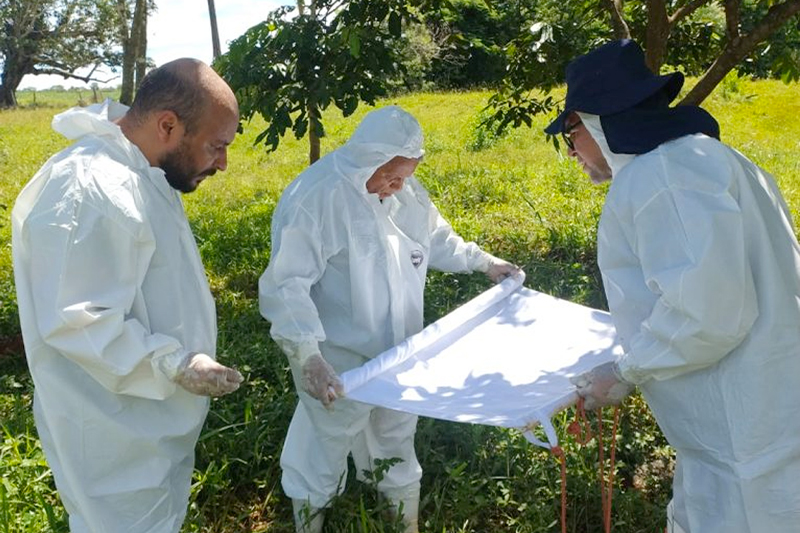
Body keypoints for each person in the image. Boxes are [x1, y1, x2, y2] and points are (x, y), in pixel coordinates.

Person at [548, 39, 800, 533]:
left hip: (743, 431)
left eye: (570, 132)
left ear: (596, 120)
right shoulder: (708, 158)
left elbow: (708, 313)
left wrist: (624, 370)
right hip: (762, 411)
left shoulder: (660, 176)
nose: (572, 150)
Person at [259, 105, 520, 533]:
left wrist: (485, 263)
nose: (397, 186)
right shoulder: (317, 197)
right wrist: (307, 354)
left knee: (396, 437)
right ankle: (310, 520)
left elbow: (437, 237)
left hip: (399, 352)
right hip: (337, 358)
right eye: (390, 175)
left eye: (405, 176)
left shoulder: (404, 191)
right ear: (368, 158)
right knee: (324, 443)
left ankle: (404, 523)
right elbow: (286, 285)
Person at [11, 58, 244, 533]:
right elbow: (79, 321)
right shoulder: (87, 188)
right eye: (216, 146)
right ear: (167, 124)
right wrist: (174, 363)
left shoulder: (143, 170)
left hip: (149, 428)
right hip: (111, 442)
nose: (222, 162)